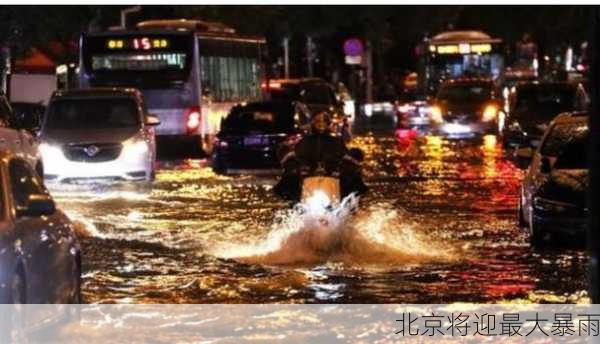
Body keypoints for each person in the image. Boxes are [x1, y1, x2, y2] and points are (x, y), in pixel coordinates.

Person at [274, 111, 367, 202]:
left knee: (351, 183)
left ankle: (349, 206)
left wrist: (346, 166)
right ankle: (295, 205)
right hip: (308, 180)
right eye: (318, 121)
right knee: (291, 183)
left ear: (328, 123)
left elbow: (345, 157)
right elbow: (295, 156)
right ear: (313, 123)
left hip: (332, 180)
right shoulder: (304, 141)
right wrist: (294, 167)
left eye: (324, 121)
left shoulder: (336, 141)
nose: (321, 124)